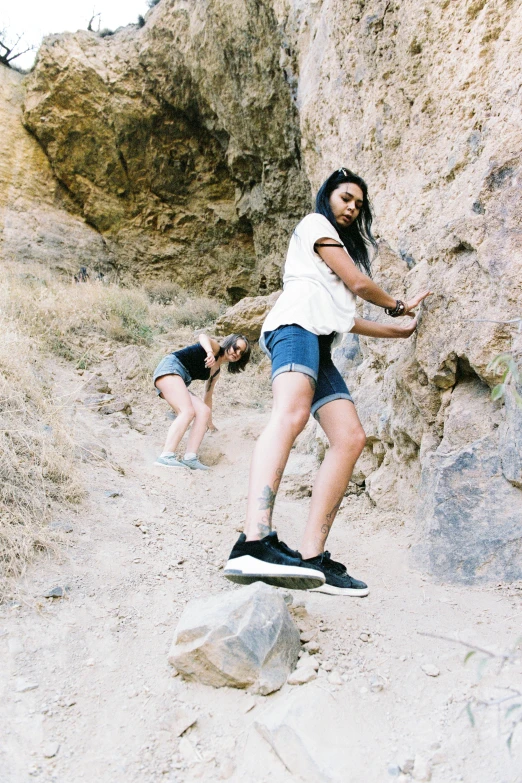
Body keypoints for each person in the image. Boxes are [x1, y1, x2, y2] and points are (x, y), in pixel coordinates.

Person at [223, 168, 431, 594]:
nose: (352, 207)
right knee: (292, 414)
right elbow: (359, 283)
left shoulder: (332, 268)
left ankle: (312, 557)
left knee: (351, 437)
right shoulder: (314, 225)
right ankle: (254, 539)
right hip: (294, 328)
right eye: (345, 198)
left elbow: (346, 319)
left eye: (359, 203)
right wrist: (398, 306)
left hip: (317, 341)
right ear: (327, 198)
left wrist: (402, 330)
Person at [153, 333, 250, 470]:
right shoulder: (216, 349)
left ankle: (190, 458)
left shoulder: (215, 373)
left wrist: (209, 423)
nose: (237, 353)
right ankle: (165, 456)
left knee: (203, 411)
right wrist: (210, 352)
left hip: (178, 378)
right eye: (236, 347)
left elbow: (208, 395)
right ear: (229, 343)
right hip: (170, 368)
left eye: (241, 352)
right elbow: (203, 336)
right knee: (187, 411)